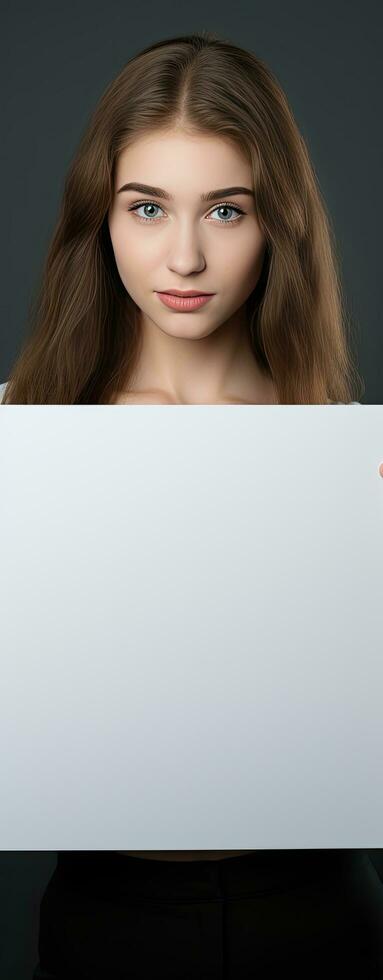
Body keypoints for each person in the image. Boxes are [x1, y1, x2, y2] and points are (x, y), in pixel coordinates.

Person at [3, 27, 382, 979]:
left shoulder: (346, 460)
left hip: (316, 910)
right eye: (145, 207)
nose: (182, 255)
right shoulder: (21, 437)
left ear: (276, 224)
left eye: (224, 209)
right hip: (104, 914)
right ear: (101, 218)